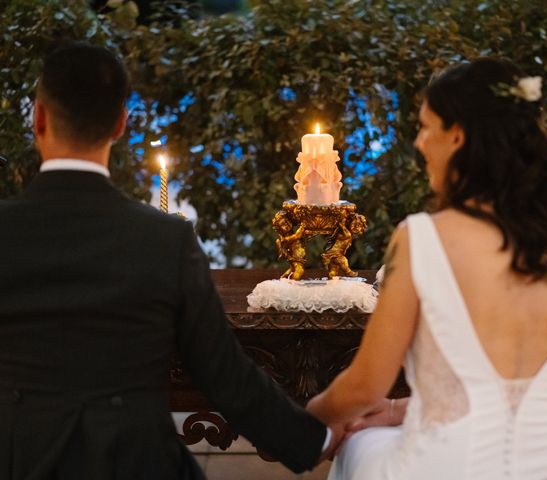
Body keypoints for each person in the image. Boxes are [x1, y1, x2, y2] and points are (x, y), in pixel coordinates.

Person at [0, 42, 338, 480]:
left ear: (38, 119)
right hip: (137, 464)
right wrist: (321, 440)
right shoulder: (164, 239)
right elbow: (227, 377)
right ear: (120, 124)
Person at [306, 58, 547, 479]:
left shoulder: (421, 239)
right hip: (544, 468)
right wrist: (398, 410)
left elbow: (364, 386)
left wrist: (314, 413)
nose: (419, 143)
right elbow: (500, 394)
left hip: (441, 469)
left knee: (357, 445)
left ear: (457, 136)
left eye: (425, 126)